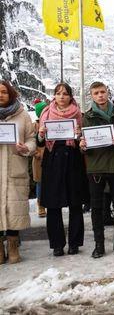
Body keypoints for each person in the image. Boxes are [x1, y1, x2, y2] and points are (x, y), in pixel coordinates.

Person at [80, 81, 114, 258]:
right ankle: (99, 245)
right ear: (92, 96)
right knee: (97, 208)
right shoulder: (87, 116)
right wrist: (83, 145)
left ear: (107, 92)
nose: (100, 95)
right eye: (96, 93)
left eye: (102, 92)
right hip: (96, 167)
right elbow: (83, 141)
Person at [37, 83, 86, 256]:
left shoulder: (78, 113)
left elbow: (82, 140)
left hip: (72, 159)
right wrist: (41, 134)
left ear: (70, 96)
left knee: (75, 203)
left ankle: (74, 243)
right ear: (54, 96)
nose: (62, 97)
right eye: (58, 94)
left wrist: (79, 135)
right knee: (53, 205)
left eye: (65, 94)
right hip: (52, 160)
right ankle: (57, 244)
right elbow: (40, 142)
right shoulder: (46, 113)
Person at [0, 81, 36, 264]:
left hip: (15, 168)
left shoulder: (22, 115)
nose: (1, 95)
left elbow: (32, 138)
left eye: (4, 92)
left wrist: (26, 148)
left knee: (14, 209)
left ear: (11, 94)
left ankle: (13, 245)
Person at [33, 100, 48, 218]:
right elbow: (29, 140)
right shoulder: (34, 125)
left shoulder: (51, 122)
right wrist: (35, 152)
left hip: (51, 157)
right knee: (40, 183)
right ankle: (40, 205)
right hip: (38, 159)